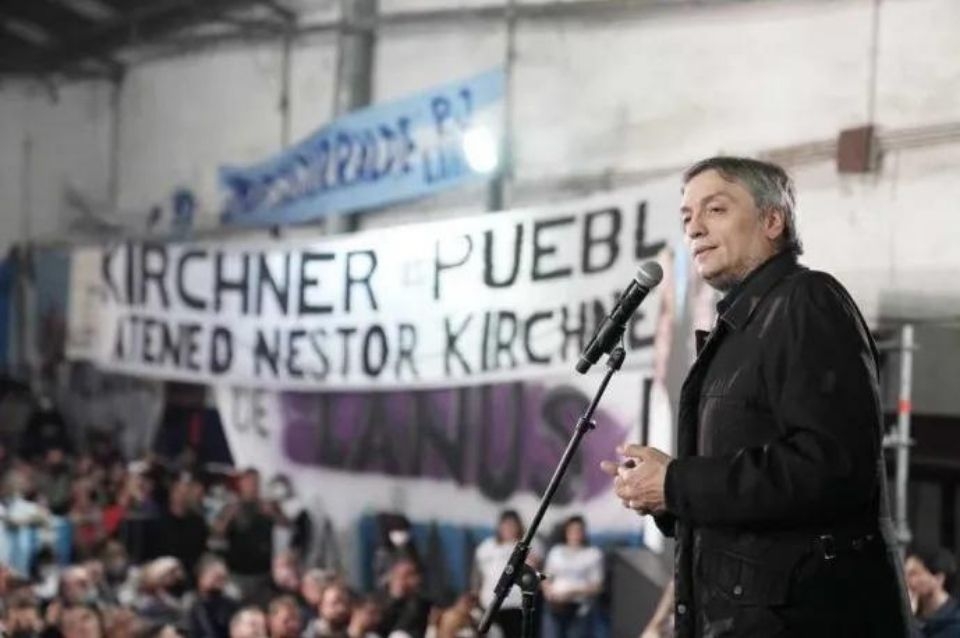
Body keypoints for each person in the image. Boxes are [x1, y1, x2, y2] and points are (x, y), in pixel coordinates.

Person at [601, 156, 911, 636]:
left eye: (715, 209)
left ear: (772, 221)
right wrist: (665, 498)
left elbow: (830, 466)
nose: (694, 228)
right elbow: (753, 505)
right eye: (686, 217)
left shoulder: (807, 300)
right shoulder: (740, 328)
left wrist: (678, 483)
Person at [214, 469, 280, 602]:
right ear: (241, 484)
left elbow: (287, 527)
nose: (252, 486)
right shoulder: (230, 507)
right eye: (248, 482)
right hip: (237, 573)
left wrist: (274, 513)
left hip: (263, 573)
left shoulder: (268, 506)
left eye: (255, 482)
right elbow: (217, 534)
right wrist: (229, 517)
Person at [473, 510, 539, 637]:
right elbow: (477, 574)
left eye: (512, 525)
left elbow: (534, 570)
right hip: (489, 604)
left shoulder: (526, 546)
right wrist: (475, 593)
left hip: (516, 604)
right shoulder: (487, 546)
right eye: (505, 525)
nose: (509, 528)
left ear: (519, 526)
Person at [540, 516, 603, 638]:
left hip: (579, 608)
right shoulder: (556, 551)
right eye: (572, 530)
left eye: (578, 530)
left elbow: (597, 586)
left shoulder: (593, 554)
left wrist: (572, 593)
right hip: (554, 606)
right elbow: (546, 576)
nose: (575, 533)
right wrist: (548, 592)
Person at [905, 546, 960, 637]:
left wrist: (909, 618)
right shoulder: (917, 612)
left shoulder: (955, 621)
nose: (906, 580)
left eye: (913, 574)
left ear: (938, 578)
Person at [375, 558, 431, 638]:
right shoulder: (378, 601)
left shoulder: (423, 604)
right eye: (400, 575)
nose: (403, 580)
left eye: (410, 575)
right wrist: (395, 598)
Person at [187, 555, 239, 638]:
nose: (220, 582)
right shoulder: (189, 602)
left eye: (223, 578)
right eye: (216, 578)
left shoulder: (230, 604)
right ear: (201, 577)